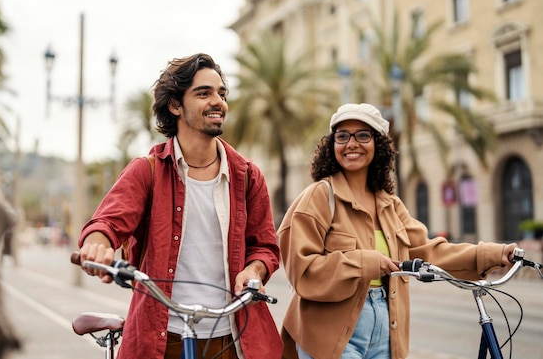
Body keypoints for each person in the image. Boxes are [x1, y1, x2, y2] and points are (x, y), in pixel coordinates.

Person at [76, 53, 283, 359]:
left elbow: (265, 246)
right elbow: (106, 224)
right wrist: (97, 247)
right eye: (204, 93)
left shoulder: (247, 176)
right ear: (175, 105)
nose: (218, 102)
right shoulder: (147, 171)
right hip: (162, 337)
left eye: (221, 93)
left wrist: (253, 269)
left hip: (232, 337)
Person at [277, 102, 517, 359]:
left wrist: (493, 253)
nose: (351, 143)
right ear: (332, 144)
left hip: (387, 331)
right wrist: (362, 262)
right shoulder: (320, 196)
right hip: (328, 333)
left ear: (378, 145)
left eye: (363, 135)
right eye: (342, 136)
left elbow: (430, 252)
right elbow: (301, 271)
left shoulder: (391, 205)